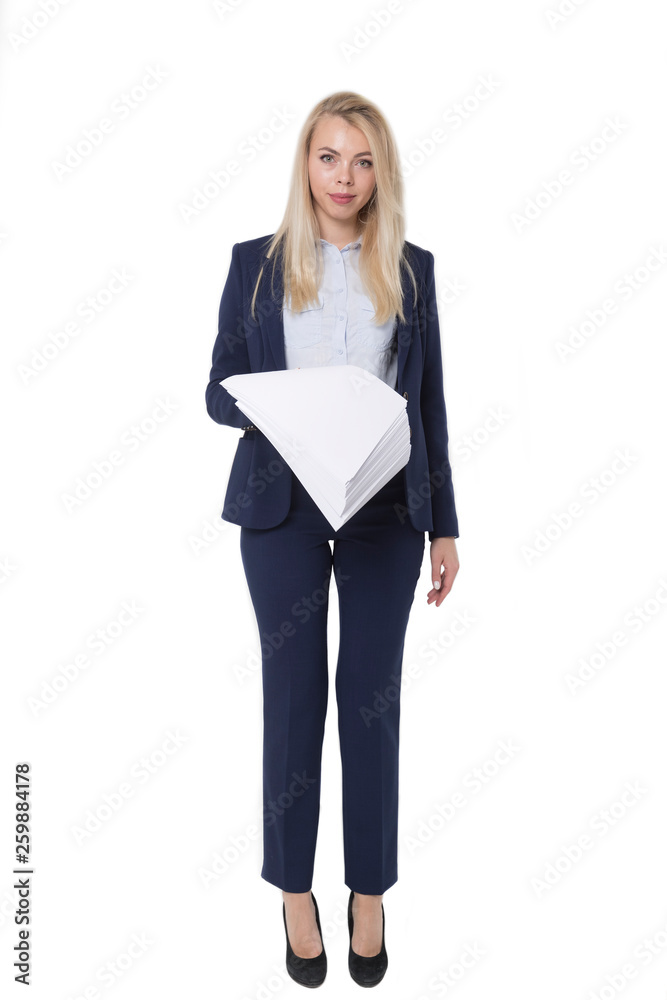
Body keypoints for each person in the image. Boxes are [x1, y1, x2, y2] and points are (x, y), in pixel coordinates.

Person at [205, 91, 460, 988]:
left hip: (386, 510)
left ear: (379, 171)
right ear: (304, 165)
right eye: (328, 158)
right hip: (281, 509)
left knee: (371, 700)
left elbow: (426, 403)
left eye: (361, 161)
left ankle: (368, 891)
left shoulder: (412, 268)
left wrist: (446, 525)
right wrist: (279, 406)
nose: (344, 177)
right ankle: (293, 893)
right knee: (293, 696)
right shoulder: (257, 264)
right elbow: (215, 391)